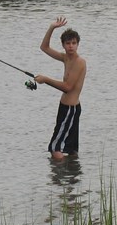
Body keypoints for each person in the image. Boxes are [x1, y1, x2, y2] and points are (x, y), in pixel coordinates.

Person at [34, 17, 87, 160]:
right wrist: (52, 27)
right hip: (64, 108)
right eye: (68, 43)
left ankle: (60, 179)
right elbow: (44, 47)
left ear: (78, 44)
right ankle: (72, 175)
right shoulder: (65, 58)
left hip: (71, 109)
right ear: (63, 45)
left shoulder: (79, 62)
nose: (71, 46)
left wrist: (45, 79)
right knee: (70, 149)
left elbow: (68, 87)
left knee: (55, 149)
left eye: (74, 43)